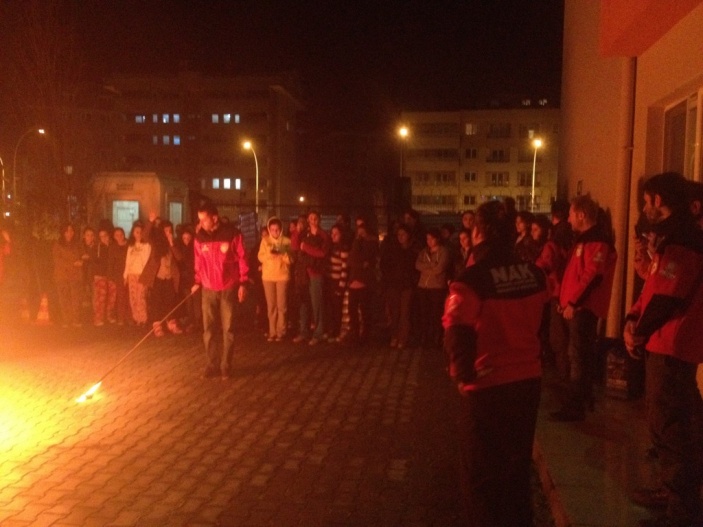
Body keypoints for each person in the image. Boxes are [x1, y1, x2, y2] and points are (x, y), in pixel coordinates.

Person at [442, 200, 548, 527]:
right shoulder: (534, 274)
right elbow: (541, 325)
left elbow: (456, 327)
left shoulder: (473, 278)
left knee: (482, 477)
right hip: (528, 380)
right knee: (516, 470)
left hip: (488, 384)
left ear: (480, 232)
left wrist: (463, 374)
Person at [623, 172, 703, 527]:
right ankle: (671, 491)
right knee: (666, 420)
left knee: (672, 424)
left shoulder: (685, 242)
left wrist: (639, 331)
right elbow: (653, 287)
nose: (645, 208)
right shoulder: (671, 241)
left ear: (661, 200)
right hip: (663, 340)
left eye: (649, 200)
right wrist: (631, 320)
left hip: (674, 344)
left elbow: (669, 295)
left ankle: (682, 509)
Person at [550, 194, 617, 422]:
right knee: (577, 354)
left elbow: (591, 276)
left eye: (570, 214)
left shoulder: (597, 241)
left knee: (578, 356)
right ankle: (581, 399)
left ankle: (575, 406)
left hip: (583, 309)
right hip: (575, 307)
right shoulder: (585, 240)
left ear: (581, 215)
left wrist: (574, 303)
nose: (568, 220)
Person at [191, 202, 249, 380]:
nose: (200, 223)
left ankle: (226, 365)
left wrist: (243, 282)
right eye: (199, 219)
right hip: (208, 289)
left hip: (228, 288)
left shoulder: (232, 234)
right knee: (208, 329)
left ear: (214, 218)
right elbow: (199, 261)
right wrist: (197, 281)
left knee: (228, 328)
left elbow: (242, 258)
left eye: (204, 219)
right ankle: (211, 364)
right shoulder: (199, 237)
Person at [140, 220, 183, 336]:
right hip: (157, 278)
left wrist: (172, 244)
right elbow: (145, 236)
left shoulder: (173, 243)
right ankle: (157, 326)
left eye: (170, 230)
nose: (168, 232)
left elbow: (179, 257)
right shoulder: (156, 243)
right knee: (156, 302)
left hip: (169, 278)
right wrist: (150, 222)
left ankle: (171, 324)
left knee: (170, 302)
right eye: (166, 230)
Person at [294, 210, 329, 345]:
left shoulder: (323, 236)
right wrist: (297, 231)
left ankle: (318, 332)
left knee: (317, 304)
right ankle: (304, 331)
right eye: (310, 218)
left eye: (315, 218)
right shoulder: (304, 234)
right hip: (304, 273)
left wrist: (306, 248)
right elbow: (295, 246)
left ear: (319, 220)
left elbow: (322, 253)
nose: (313, 220)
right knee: (304, 303)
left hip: (315, 273)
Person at [381, 224, 419, 349]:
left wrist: (412, 281)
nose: (400, 237)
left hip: (406, 286)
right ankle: (394, 336)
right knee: (394, 313)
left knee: (404, 312)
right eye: (399, 235)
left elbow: (415, 268)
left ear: (408, 235)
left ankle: (403, 338)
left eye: (403, 234)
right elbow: (385, 266)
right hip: (394, 285)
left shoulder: (413, 250)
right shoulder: (393, 250)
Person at [415, 227, 450, 350]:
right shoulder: (424, 252)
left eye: (431, 238)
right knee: (424, 313)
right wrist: (431, 266)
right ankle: (425, 337)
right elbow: (417, 265)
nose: (429, 241)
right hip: (423, 286)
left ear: (437, 239)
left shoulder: (443, 252)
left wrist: (428, 268)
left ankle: (437, 337)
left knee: (436, 313)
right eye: (427, 238)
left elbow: (439, 269)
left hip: (437, 287)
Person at [258, 217, 292, 342]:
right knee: (271, 305)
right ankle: (272, 332)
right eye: (272, 230)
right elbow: (260, 257)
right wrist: (269, 255)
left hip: (282, 276)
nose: (275, 232)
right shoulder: (265, 241)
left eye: (277, 230)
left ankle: (281, 331)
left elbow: (290, 260)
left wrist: (282, 253)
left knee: (281, 305)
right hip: (268, 277)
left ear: (281, 229)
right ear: (269, 229)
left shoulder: (287, 241)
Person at [346, 222, 378, 346]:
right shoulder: (356, 243)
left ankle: (365, 335)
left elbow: (367, 260)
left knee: (365, 311)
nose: (360, 235)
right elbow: (351, 260)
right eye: (358, 233)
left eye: (362, 233)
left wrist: (359, 262)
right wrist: (360, 263)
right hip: (353, 282)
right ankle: (355, 333)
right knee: (352, 310)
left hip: (364, 283)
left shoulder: (371, 244)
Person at [52, 224, 84, 327]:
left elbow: (82, 255)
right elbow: (57, 260)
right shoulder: (58, 245)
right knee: (64, 298)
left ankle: (76, 320)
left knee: (76, 298)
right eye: (67, 231)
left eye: (71, 231)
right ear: (63, 232)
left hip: (76, 275)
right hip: (62, 275)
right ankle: (66, 320)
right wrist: (73, 264)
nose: (69, 233)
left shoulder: (78, 244)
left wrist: (83, 260)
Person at [325, 224, 350, 343]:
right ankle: (332, 330)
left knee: (337, 308)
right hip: (330, 281)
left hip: (337, 282)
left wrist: (341, 286)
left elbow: (344, 269)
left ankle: (337, 331)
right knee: (330, 308)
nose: (333, 235)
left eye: (336, 233)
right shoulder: (331, 247)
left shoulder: (343, 248)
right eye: (332, 233)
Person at [124, 221, 151, 327]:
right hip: (132, 274)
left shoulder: (146, 245)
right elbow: (127, 261)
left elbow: (146, 260)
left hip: (141, 274)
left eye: (140, 232)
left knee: (141, 296)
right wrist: (125, 275)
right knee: (133, 297)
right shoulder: (130, 246)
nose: (138, 234)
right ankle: (136, 318)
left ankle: (143, 318)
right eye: (136, 232)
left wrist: (145, 275)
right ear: (133, 233)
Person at [108, 227, 130, 325]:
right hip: (118, 275)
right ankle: (121, 318)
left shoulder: (129, 245)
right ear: (114, 236)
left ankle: (129, 318)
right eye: (117, 235)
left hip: (129, 273)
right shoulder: (113, 247)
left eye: (121, 234)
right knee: (120, 297)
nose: (119, 237)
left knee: (129, 296)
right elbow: (111, 262)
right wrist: (111, 276)